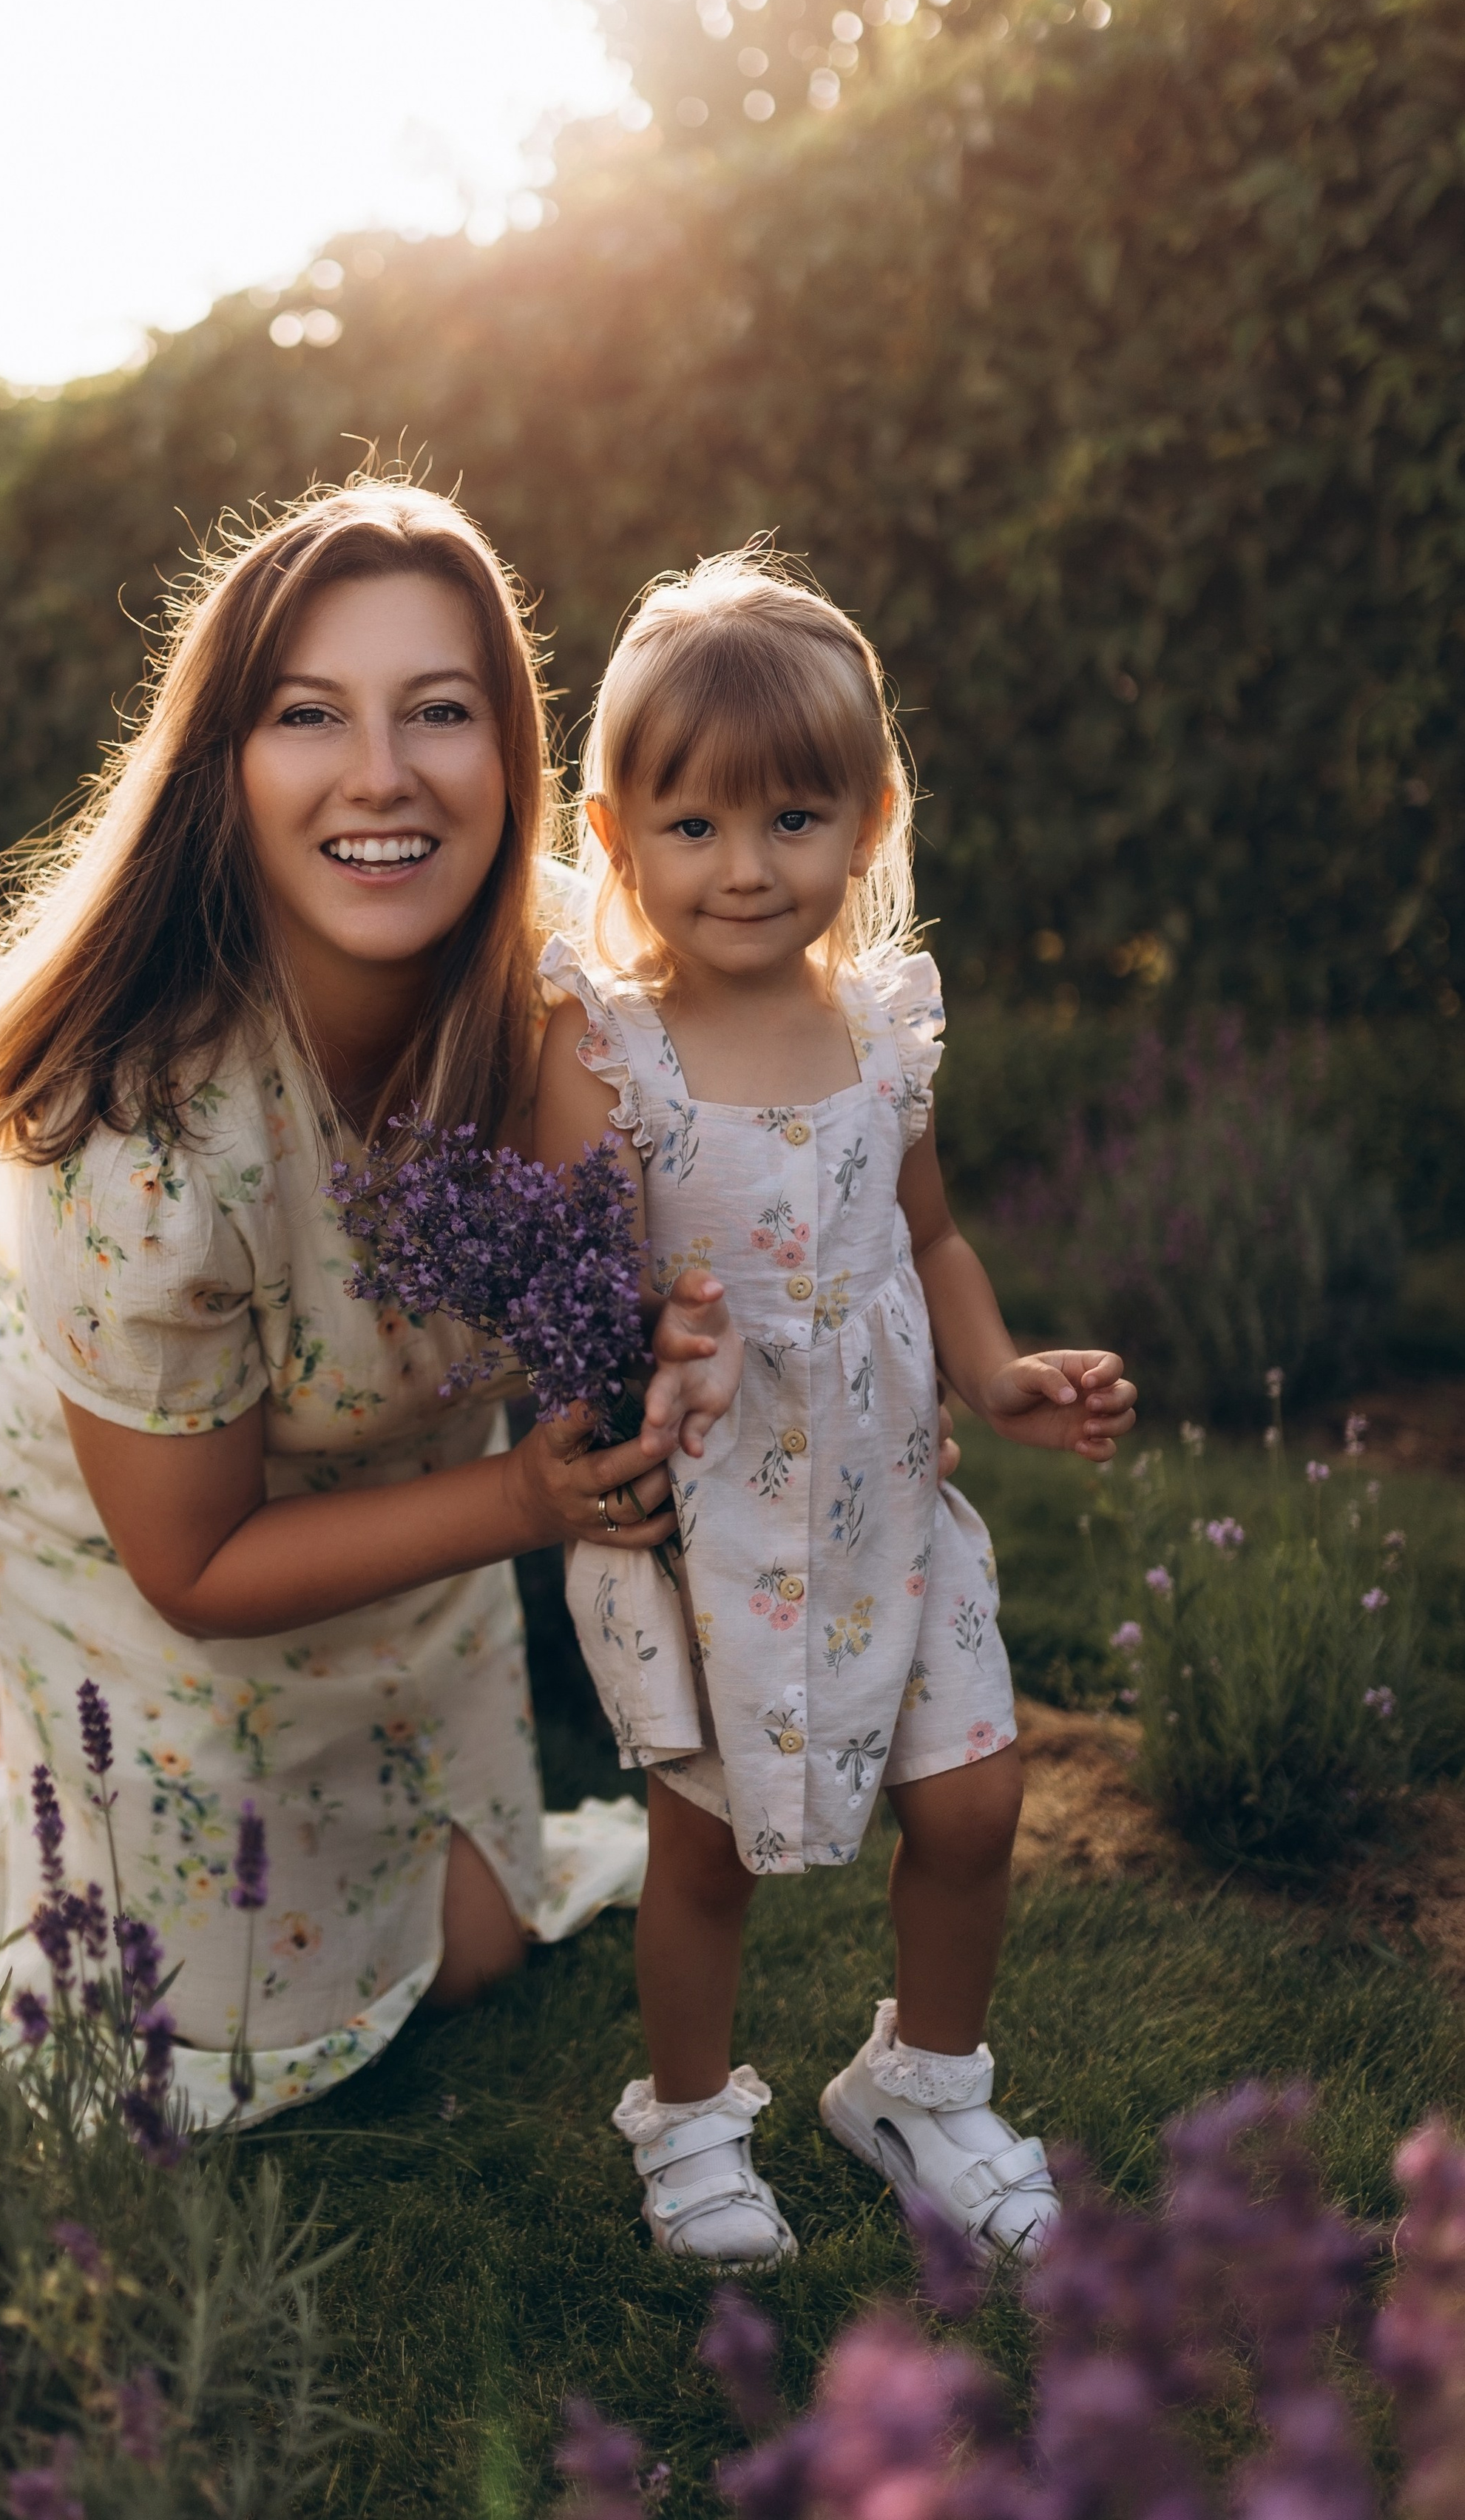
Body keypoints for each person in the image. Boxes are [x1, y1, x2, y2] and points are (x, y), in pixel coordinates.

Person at [0, 481, 708, 2126]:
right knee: (223, 2046)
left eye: (439, 713)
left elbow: (671, 1230)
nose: (381, 773)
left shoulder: (573, 983)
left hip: (407, 1498)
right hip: (136, 1532)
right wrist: (529, 1499)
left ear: (510, 754)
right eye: (308, 715)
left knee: (469, 1954)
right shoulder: (147, 1137)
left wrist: (686, 1334)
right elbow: (192, 1563)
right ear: (226, 770)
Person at [532, 549, 1137, 2268]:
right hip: (712, 1511)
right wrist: (639, 1342)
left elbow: (922, 1233)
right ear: (615, 829)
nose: (743, 867)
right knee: (708, 1844)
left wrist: (998, 1372)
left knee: (970, 1797)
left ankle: (921, 2086)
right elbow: (563, 1291)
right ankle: (692, 2122)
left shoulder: (882, 1032)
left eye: (791, 818)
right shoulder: (609, 1052)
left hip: (881, 1491)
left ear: (869, 819)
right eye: (693, 826)